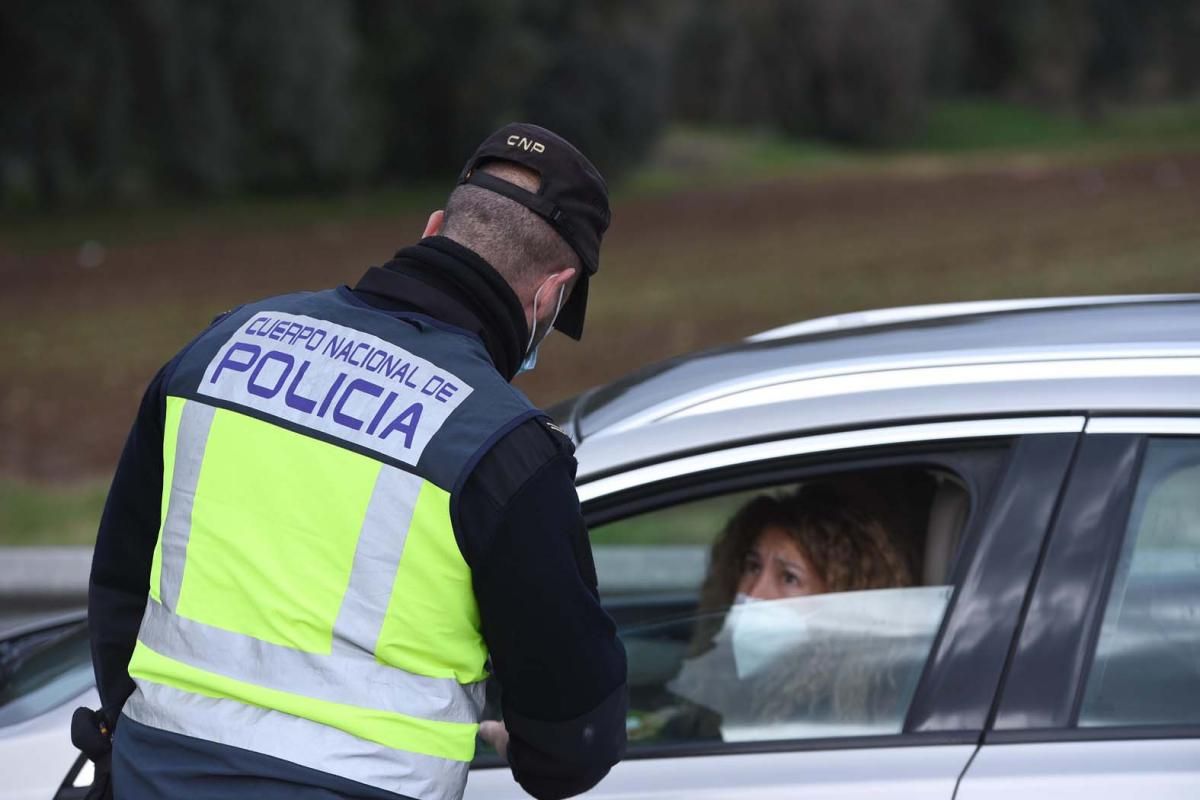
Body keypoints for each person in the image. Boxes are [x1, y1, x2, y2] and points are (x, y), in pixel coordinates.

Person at [77, 123, 628, 800]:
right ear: (551, 295)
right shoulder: (505, 450)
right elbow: (574, 741)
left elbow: (118, 592)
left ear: (434, 230)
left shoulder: (219, 350)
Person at [661, 483, 913, 740]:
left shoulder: (824, 722)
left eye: (789, 578)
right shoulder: (737, 694)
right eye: (753, 566)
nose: (755, 593)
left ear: (840, 602)